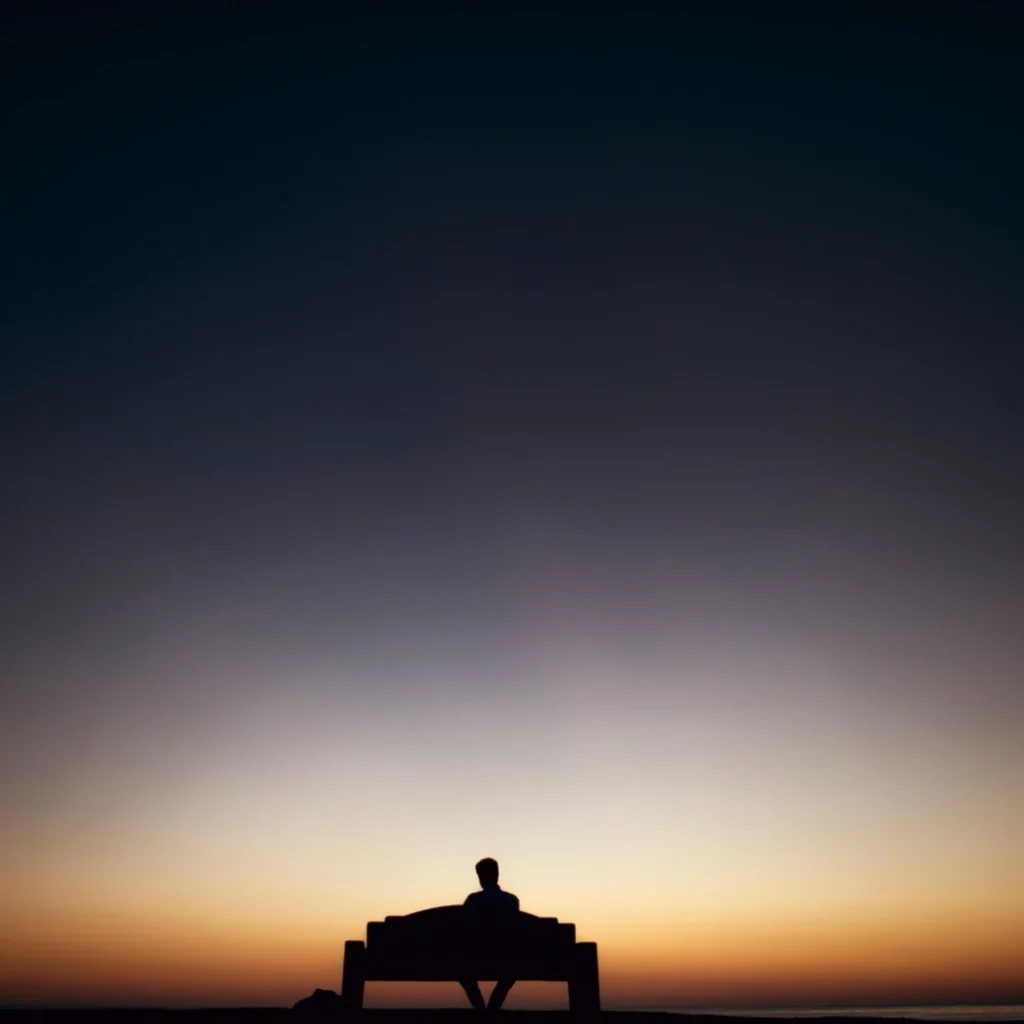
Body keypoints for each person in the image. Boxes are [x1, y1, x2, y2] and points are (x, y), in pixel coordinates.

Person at [459, 857, 520, 1011]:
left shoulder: (473, 901)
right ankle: (494, 1005)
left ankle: (479, 1007)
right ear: (497, 874)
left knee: (461, 970)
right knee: (513, 969)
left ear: (480, 877)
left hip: (475, 959)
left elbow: (464, 930)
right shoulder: (512, 901)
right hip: (505, 959)